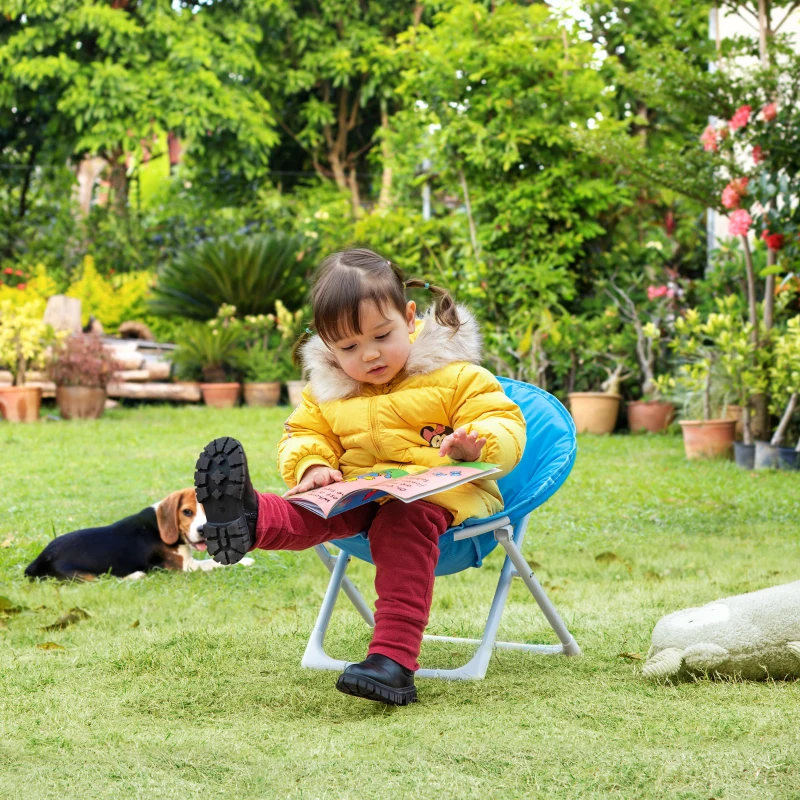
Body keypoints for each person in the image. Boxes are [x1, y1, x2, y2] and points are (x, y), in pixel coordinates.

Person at [195, 248, 526, 706]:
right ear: (329, 348)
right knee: (317, 505)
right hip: (364, 496)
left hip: (449, 509)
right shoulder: (327, 393)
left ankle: (393, 661)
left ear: (409, 317)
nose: (369, 355)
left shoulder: (457, 377)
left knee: (401, 521)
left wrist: (476, 446)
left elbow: (504, 422)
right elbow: (302, 434)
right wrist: (312, 466)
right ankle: (248, 519)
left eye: (381, 335)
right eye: (349, 348)